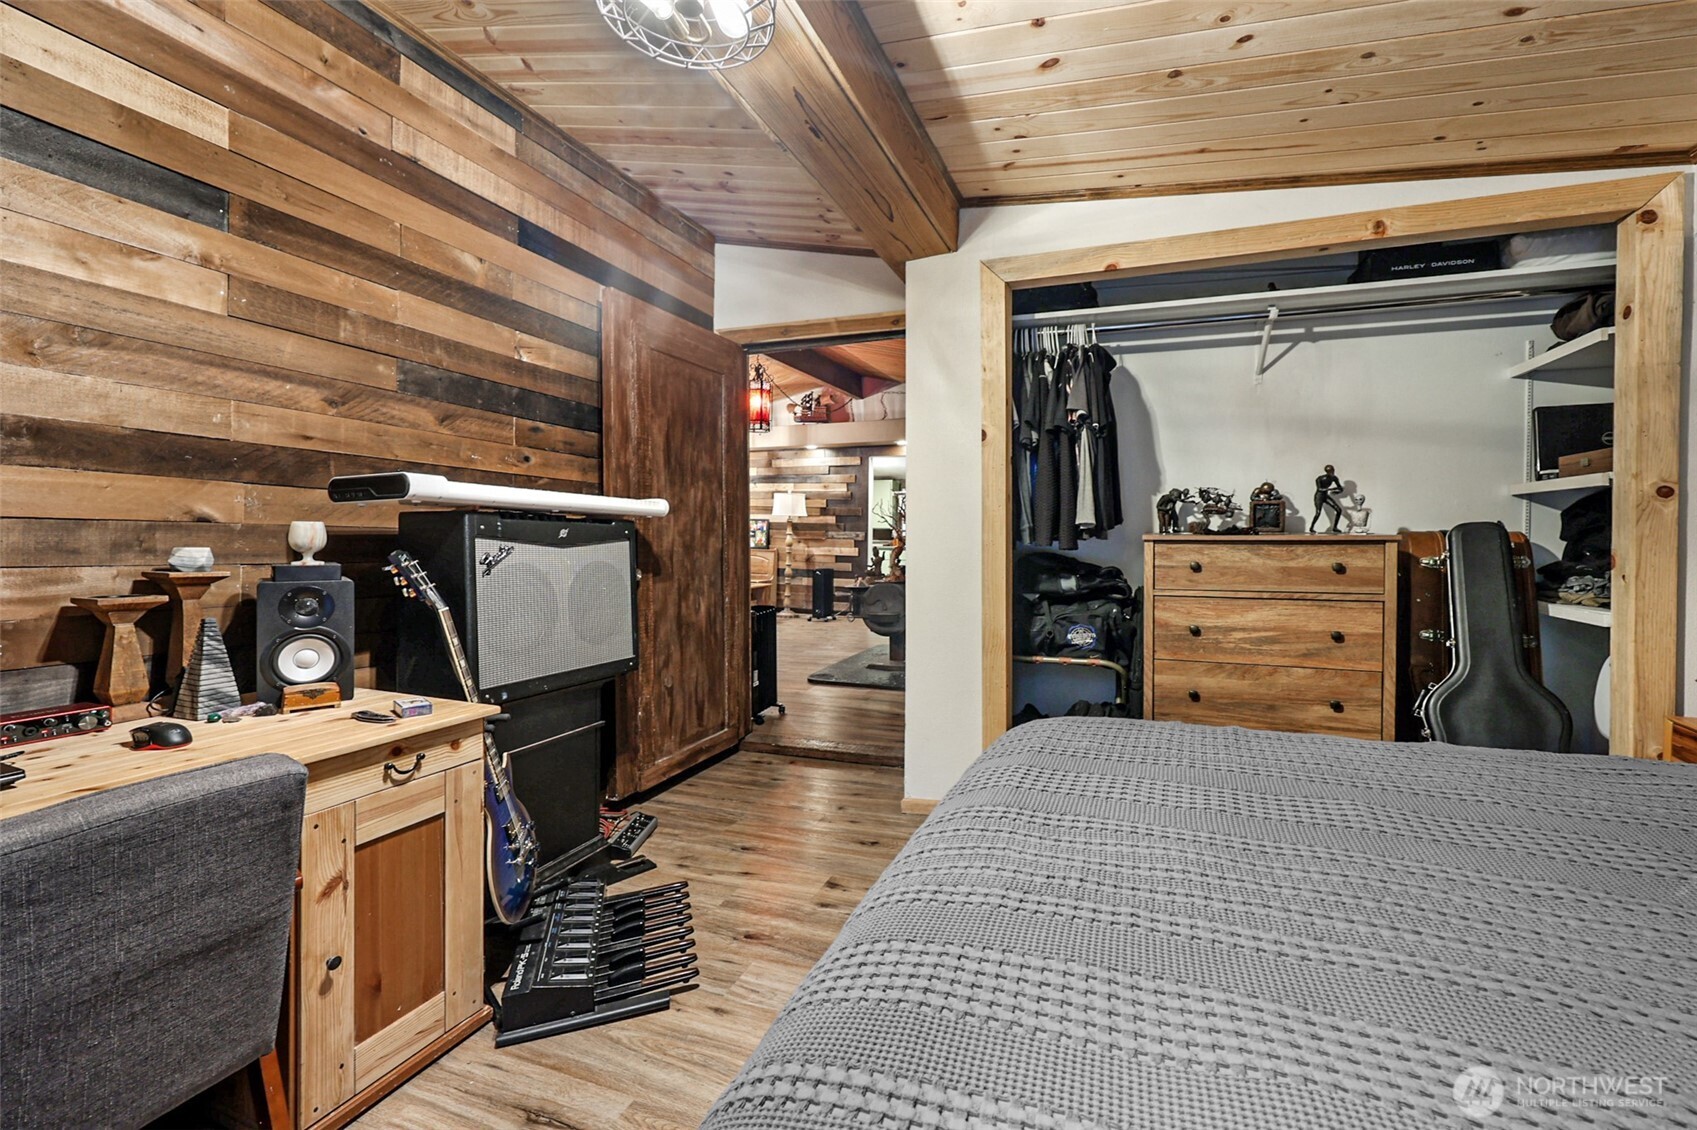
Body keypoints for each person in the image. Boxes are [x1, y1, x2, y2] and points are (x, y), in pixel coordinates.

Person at [1314, 465, 1345, 533]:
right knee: (1318, 513)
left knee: (1339, 510)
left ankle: (1335, 527)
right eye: (1330, 471)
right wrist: (1331, 489)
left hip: (1325, 496)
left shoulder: (1334, 478)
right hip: (1319, 496)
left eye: (1333, 471)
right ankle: (1311, 528)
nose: (1332, 472)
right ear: (1327, 472)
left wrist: (1338, 492)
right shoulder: (1320, 478)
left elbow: (1340, 488)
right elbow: (1319, 489)